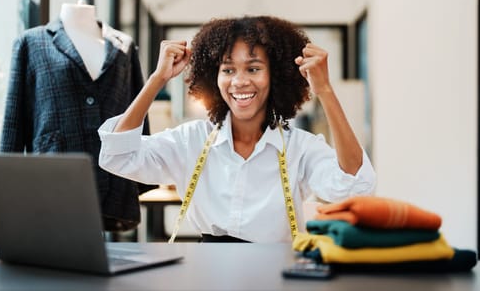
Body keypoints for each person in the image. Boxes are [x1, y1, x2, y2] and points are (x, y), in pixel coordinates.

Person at [98, 16, 376, 243]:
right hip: (205, 275)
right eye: (228, 70)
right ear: (213, 76)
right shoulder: (191, 139)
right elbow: (118, 156)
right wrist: (158, 80)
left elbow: (354, 187)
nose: (239, 81)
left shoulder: (299, 148)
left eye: (253, 69)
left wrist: (325, 91)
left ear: (275, 76)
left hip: (277, 276)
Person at [0, 0, 154, 233]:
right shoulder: (31, 43)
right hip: (53, 180)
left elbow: (137, 111)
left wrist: (143, 178)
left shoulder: (123, 46)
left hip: (114, 181)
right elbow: (14, 118)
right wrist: (5, 182)